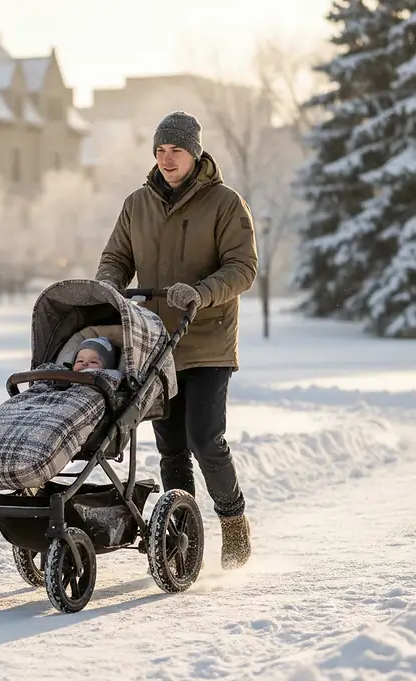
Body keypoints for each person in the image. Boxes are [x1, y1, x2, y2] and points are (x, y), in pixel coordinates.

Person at [95, 110, 257, 570]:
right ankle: (180, 540)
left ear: (195, 154)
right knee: (171, 449)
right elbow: (116, 257)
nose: (167, 159)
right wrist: (108, 287)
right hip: (155, 343)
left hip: (207, 341)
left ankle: (233, 522)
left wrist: (201, 293)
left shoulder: (225, 203)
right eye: (161, 151)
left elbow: (243, 267)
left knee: (205, 439)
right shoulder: (137, 204)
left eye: (176, 151)